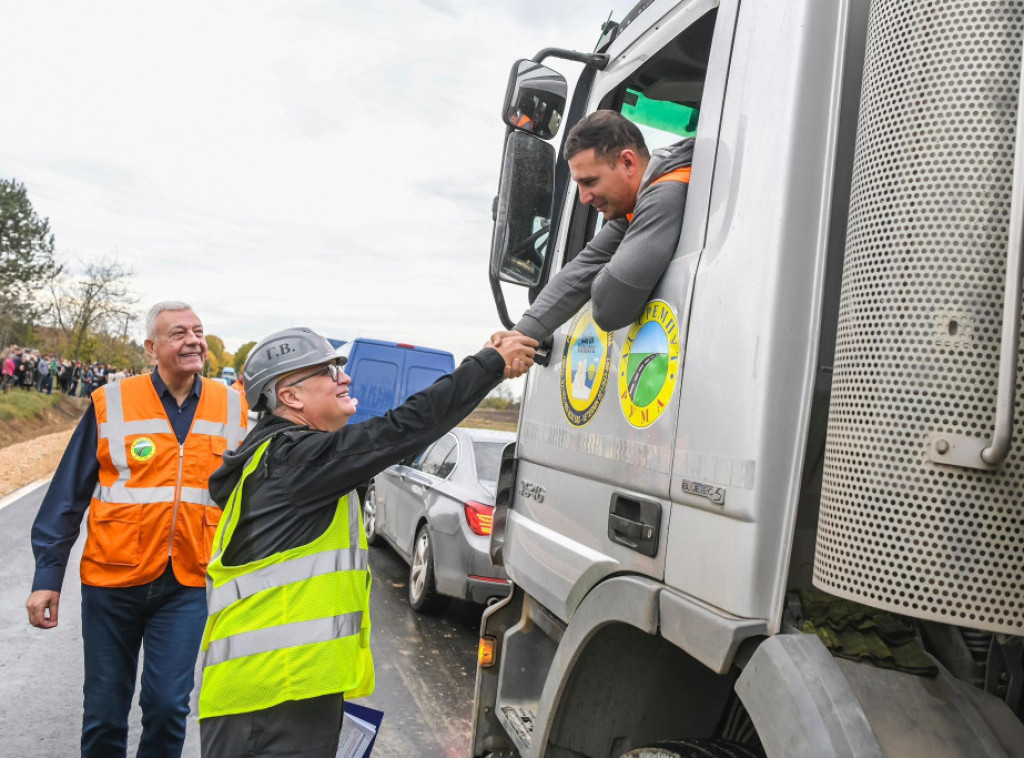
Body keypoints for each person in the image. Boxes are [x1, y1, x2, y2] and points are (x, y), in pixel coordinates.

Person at [198, 326, 536, 758]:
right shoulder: (293, 462)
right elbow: (402, 429)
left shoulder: (293, 461)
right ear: (291, 397)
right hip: (270, 701)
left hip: (285, 691)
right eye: (328, 370)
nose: (346, 378)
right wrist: (490, 365)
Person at [26, 301, 248, 758]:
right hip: (112, 581)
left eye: (198, 331)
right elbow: (68, 494)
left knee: (169, 707)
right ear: (151, 347)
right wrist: (48, 578)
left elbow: (248, 496)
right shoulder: (113, 403)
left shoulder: (232, 405)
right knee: (105, 714)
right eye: (178, 333)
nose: (193, 340)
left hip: (187, 581)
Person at [493, 110, 693, 363]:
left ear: (628, 162)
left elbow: (610, 309)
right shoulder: (634, 205)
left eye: (590, 182)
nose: (584, 198)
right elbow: (582, 267)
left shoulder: (667, 191)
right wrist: (518, 337)